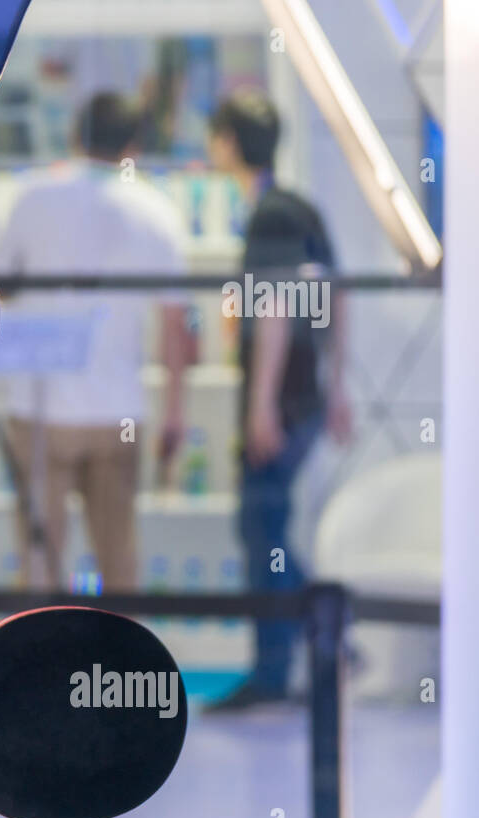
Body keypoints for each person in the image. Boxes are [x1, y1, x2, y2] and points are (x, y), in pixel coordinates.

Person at [0, 91, 191, 593]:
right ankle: (121, 668)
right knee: (119, 561)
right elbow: (174, 330)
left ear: (77, 136)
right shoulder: (158, 213)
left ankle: (40, 667)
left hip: (39, 408)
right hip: (117, 412)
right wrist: (175, 415)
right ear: (134, 146)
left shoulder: (34, 196)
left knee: (39, 564)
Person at [204, 89, 352, 710]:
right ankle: (322, 632)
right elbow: (337, 296)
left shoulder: (270, 217)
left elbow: (274, 305)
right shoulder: (296, 208)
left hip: (283, 400)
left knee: (259, 523)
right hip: (306, 395)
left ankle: (281, 667)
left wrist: (260, 405)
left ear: (231, 143)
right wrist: (337, 385)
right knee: (265, 522)